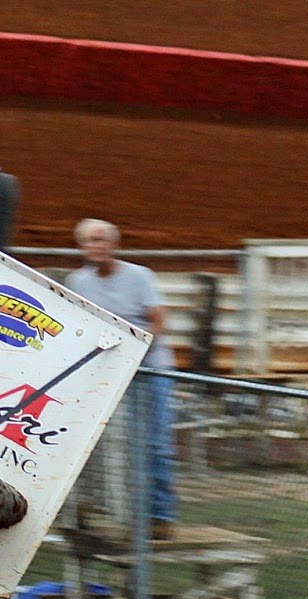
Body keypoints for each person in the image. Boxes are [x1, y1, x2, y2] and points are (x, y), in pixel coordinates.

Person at [64, 218, 177, 539]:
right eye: (88, 241)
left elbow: (158, 321)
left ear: (113, 244)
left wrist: (135, 350)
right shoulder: (79, 281)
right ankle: (88, 509)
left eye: (100, 240)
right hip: (106, 371)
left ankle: (160, 515)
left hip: (149, 370)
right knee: (95, 440)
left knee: (154, 443)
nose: (94, 246)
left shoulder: (139, 277)